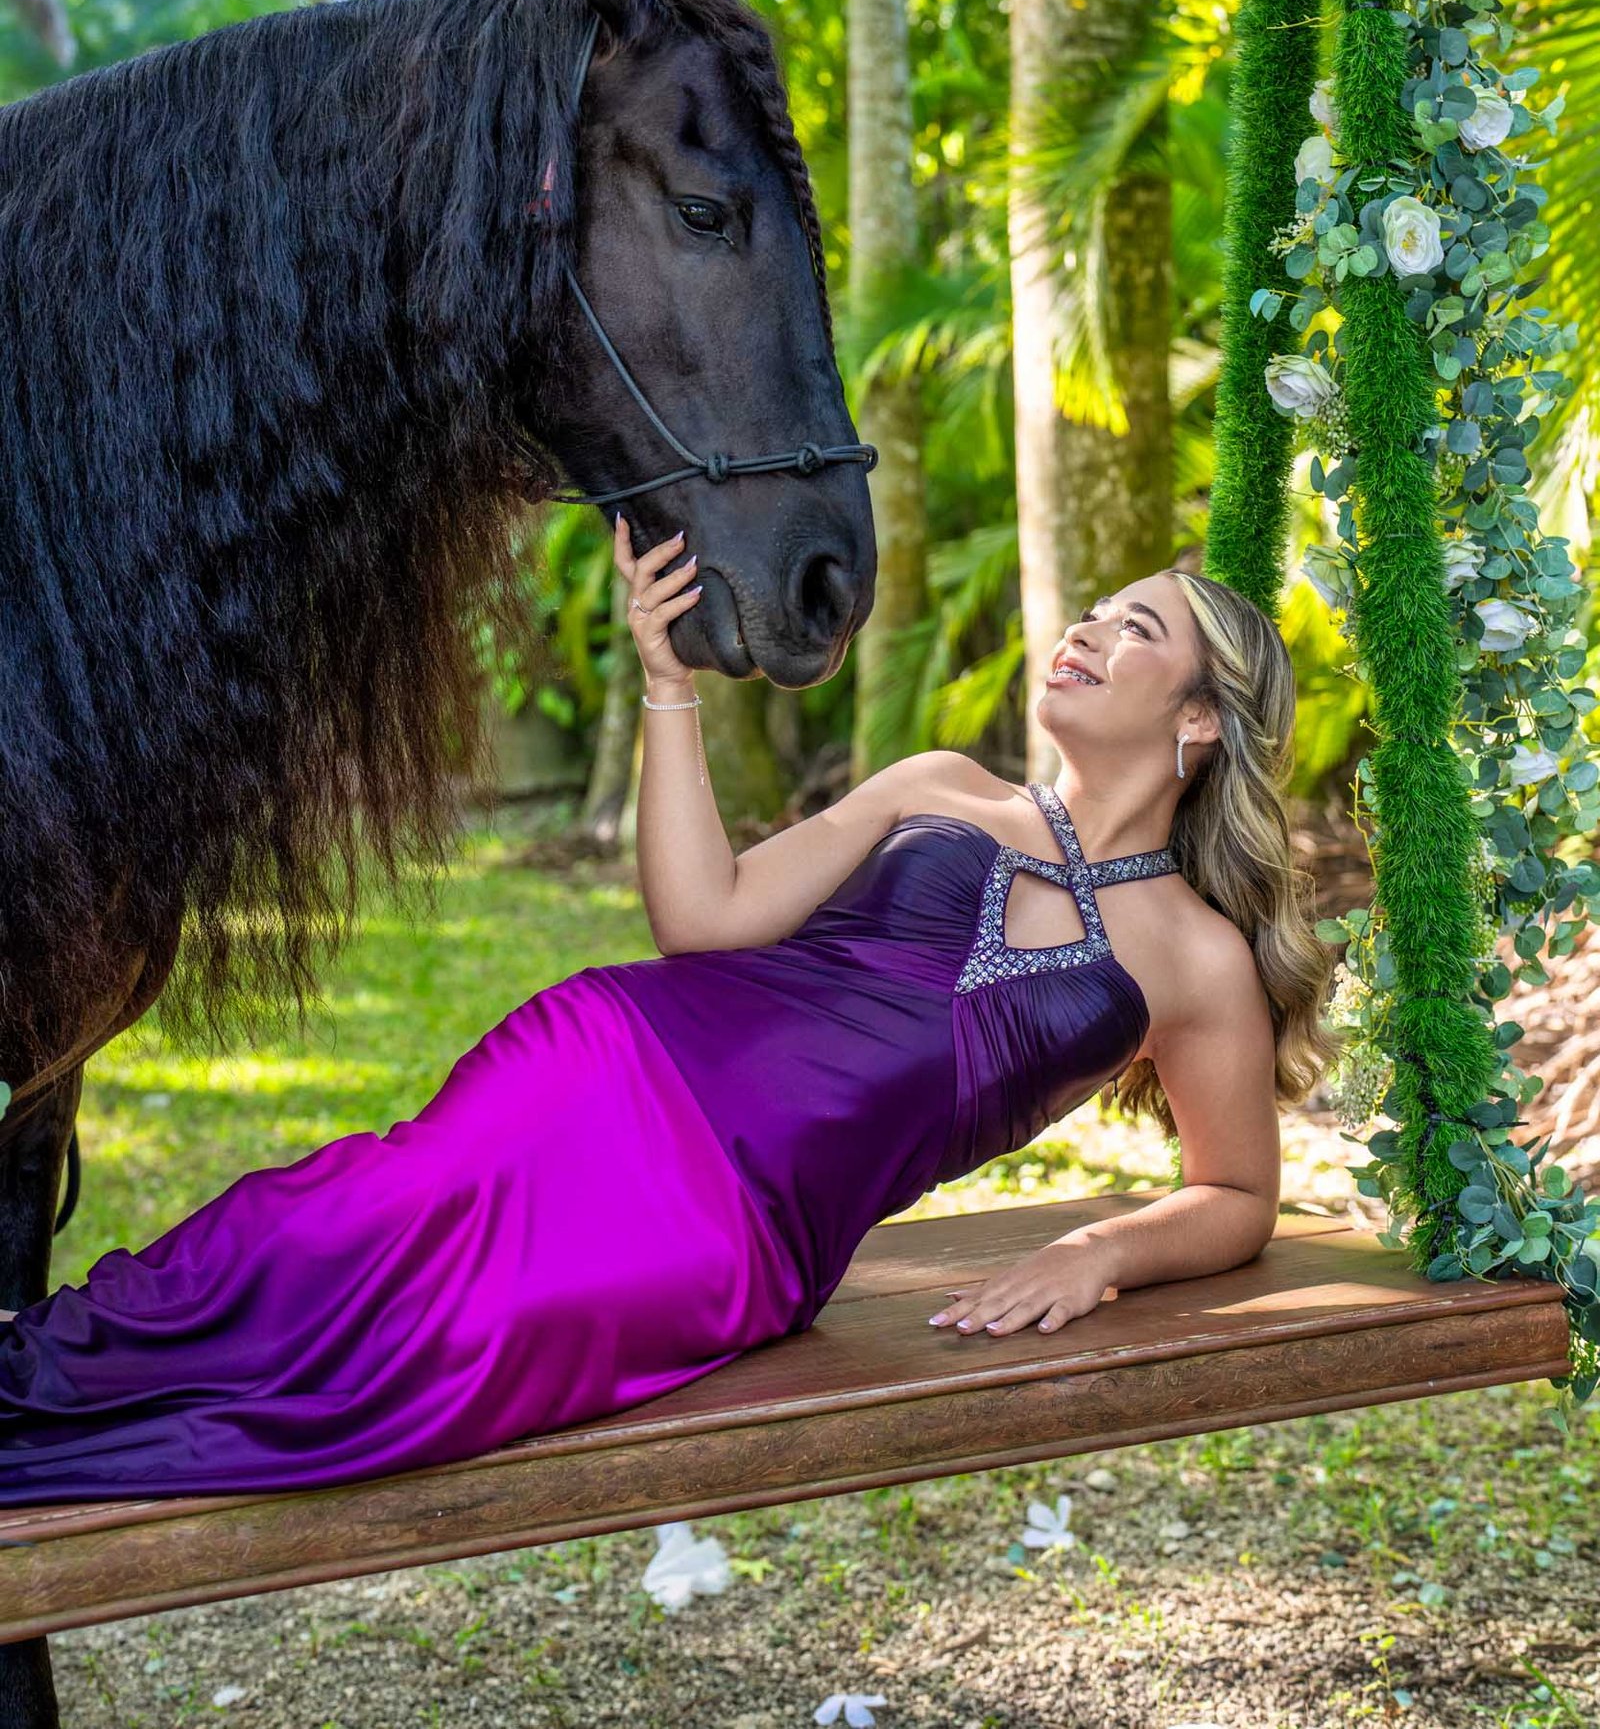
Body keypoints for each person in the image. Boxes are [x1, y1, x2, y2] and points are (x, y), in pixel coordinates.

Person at [0, 525, 1335, 1502]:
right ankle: (33, 1371)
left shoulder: (1198, 960)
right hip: (613, 1061)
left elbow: (1234, 1196)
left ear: (1202, 722)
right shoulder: (938, 786)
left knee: (460, 1354)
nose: (1086, 631)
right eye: (1091, 611)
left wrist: (1097, 1254)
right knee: (332, 1227)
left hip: (739, 1233)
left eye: (1134, 629)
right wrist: (669, 683)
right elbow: (706, 915)